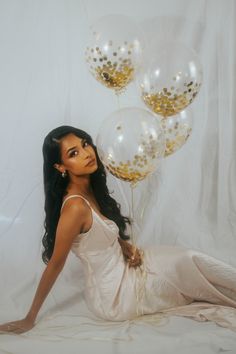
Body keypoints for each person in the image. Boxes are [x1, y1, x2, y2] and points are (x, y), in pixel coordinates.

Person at [1, 125, 236, 334]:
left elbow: (99, 236)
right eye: (74, 153)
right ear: (61, 166)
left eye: (85, 145)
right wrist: (29, 318)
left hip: (124, 270)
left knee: (186, 259)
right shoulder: (74, 207)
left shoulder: (89, 189)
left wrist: (125, 247)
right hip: (114, 296)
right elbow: (55, 265)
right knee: (185, 266)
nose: (86, 153)